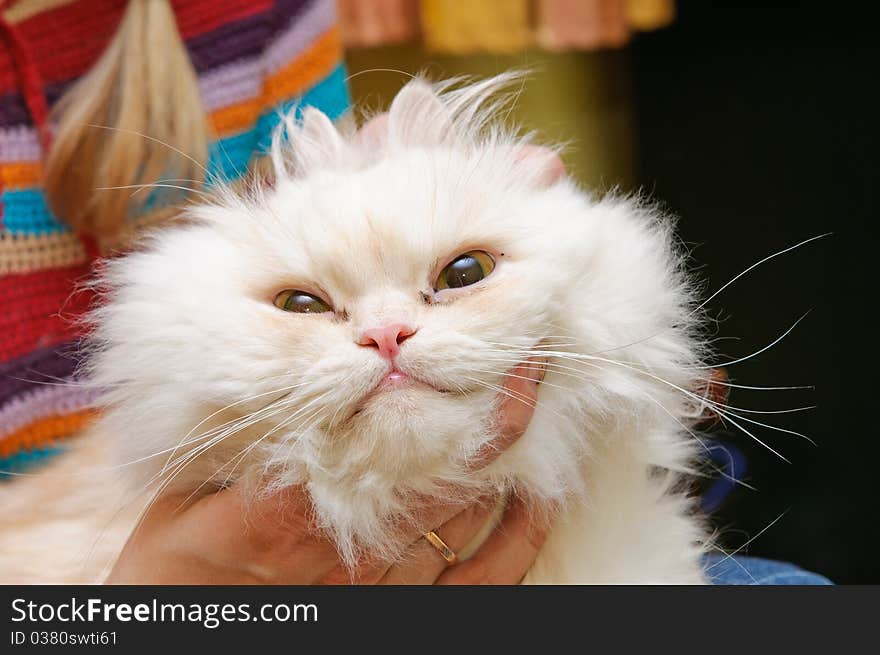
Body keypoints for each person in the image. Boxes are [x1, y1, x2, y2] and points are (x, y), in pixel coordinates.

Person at [0, 0, 830, 585]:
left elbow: (329, 195)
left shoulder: (241, 12)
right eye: (303, 305)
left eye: (460, 276)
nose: (387, 332)